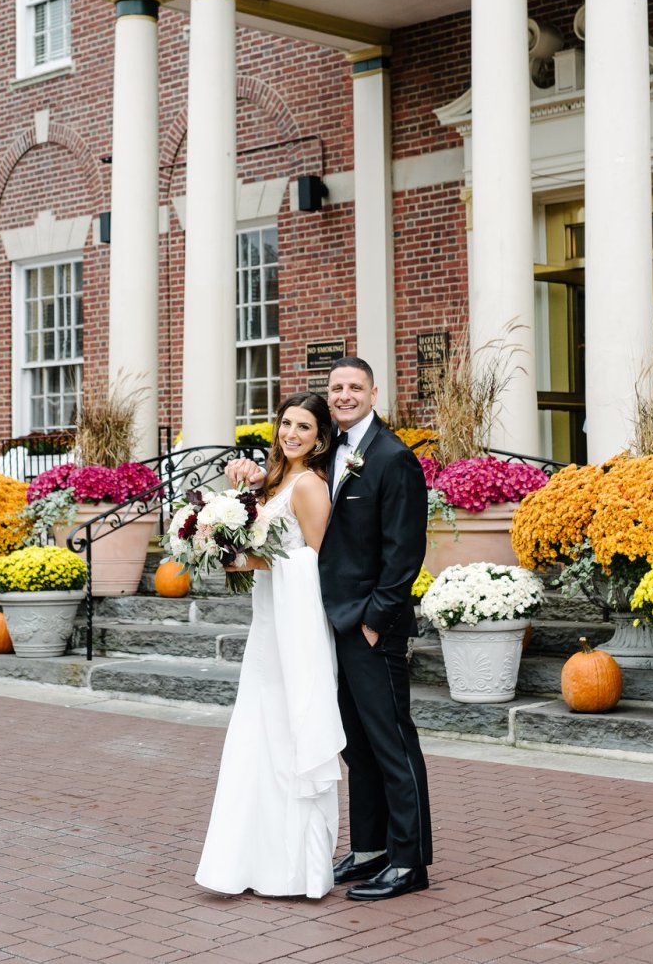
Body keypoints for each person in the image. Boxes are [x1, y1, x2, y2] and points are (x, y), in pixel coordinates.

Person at [228, 357, 431, 901]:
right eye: (336, 387)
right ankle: (370, 850)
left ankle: (409, 861)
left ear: (373, 391)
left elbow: (404, 552)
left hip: (368, 625)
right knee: (355, 745)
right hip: (325, 621)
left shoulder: (394, 458)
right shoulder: (332, 453)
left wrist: (375, 622)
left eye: (354, 387)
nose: (343, 395)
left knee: (392, 743)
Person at [196, 392, 345, 900]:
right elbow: (260, 537)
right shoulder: (276, 480)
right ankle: (250, 860)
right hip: (267, 624)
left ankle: (295, 869)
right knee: (258, 734)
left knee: (287, 735)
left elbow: (323, 564)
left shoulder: (308, 486)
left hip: (295, 630)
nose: (292, 434)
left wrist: (254, 562)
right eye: (286, 424)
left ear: (320, 438)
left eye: (304, 427)